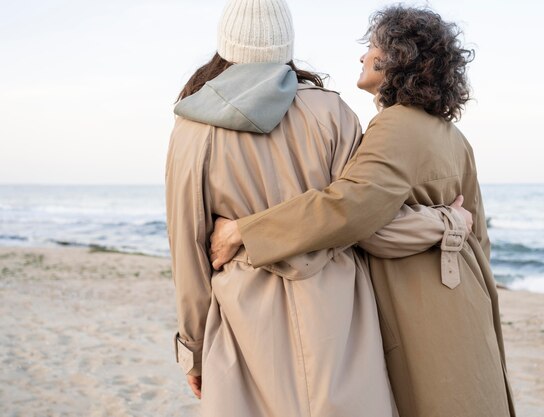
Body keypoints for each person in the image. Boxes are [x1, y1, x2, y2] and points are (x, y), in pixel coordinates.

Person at [165, 1, 471, 416]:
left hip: (243, 320)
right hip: (338, 319)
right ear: (285, 44)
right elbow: (371, 224)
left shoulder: (192, 126)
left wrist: (194, 349)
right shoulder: (332, 113)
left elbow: (187, 251)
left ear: (226, 45)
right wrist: (447, 222)